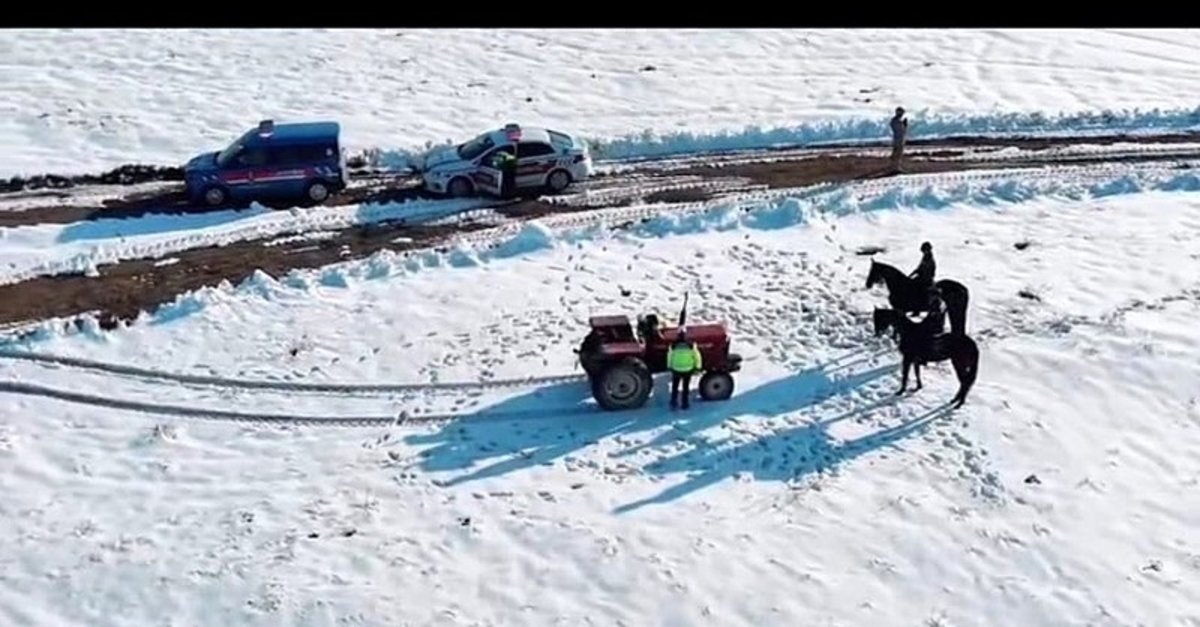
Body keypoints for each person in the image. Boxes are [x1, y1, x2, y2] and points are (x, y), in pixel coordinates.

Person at [667, 328, 703, 410]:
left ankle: (673, 402)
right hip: (688, 369)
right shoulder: (691, 345)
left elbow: (669, 356)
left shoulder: (673, 346)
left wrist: (669, 366)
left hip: (676, 368)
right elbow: (697, 356)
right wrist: (698, 366)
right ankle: (685, 404)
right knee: (685, 387)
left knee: (675, 387)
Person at [890, 107, 908, 172]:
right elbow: (899, 130)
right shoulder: (895, 121)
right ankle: (894, 167)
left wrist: (904, 125)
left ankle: (897, 166)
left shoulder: (898, 121)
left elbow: (903, 131)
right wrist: (903, 125)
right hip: (897, 140)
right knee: (896, 153)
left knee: (899, 153)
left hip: (900, 139)